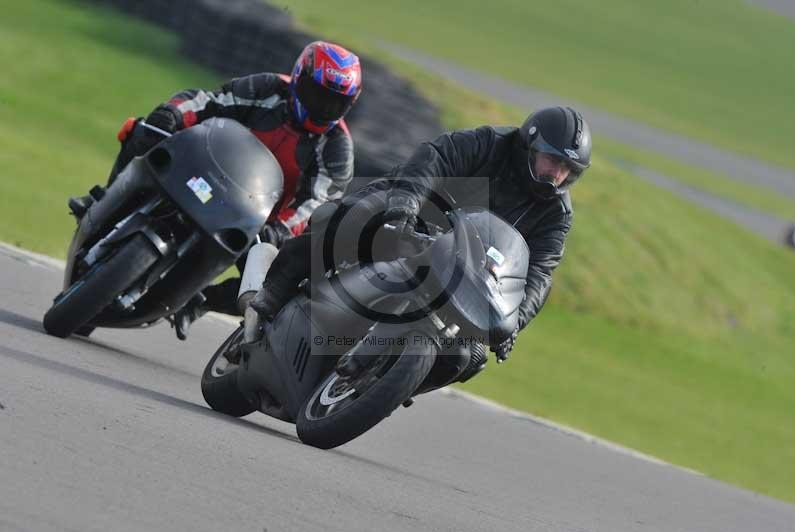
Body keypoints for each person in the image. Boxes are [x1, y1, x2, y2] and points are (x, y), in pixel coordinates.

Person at [251, 105, 591, 373]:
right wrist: (405, 206)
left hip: (466, 268)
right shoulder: (490, 144)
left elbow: (540, 273)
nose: (557, 174)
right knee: (344, 222)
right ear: (529, 145)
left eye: (567, 170)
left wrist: (514, 321)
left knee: (469, 356)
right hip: (414, 215)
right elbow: (435, 158)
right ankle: (272, 293)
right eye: (553, 161)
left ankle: (390, 379)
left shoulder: (556, 214)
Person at [69, 41, 363, 340]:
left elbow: (316, 203)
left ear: (348, 105)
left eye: (334, 102)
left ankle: (198, 301)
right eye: (317, 95)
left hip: (254, 221)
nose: (322, 107)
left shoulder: (337, 149)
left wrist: (278, 230)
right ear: (299, 78)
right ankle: (105, 198)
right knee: (141, 129)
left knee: (281, 281)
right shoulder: (268, 88)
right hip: (205, 172)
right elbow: (209, 101)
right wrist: (173, 114)